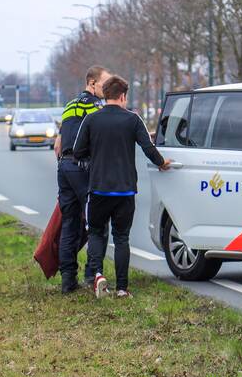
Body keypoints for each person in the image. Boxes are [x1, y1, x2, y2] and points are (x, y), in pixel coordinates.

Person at [73, 75, 172, 298]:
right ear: (123, 96)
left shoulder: (91, 120)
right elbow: (148, 147)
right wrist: (162, 163)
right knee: (121, 238)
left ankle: (98, 275)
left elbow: (78, 151)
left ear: (106, 94)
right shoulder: (133, 120)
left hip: (98, 188)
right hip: (125, 189)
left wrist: (95, 156)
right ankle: (122, 288)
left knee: (97, 233)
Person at [54, 65, 109, 294]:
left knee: (70, 224)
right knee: (98, 223)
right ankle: (92, 274)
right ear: (92, 83)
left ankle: (68, 280)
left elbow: (59, 143)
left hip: (64, 168)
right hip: (83, 168)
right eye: (104, 84)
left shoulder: (69, 106)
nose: (106, 89)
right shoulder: (94, 106)